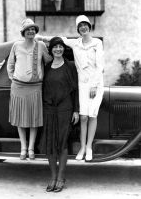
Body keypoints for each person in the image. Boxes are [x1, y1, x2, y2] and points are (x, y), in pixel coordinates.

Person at [7, 18, 52, 160]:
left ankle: (31, 148)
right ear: (23, 32)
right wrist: (15, 78)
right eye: (28, 29)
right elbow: (10, 65)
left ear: (35, 32)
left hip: (35, 87)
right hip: (18, 87)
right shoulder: (16, 45)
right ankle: (23, 148)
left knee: (34, 118)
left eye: (33, 29)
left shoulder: (41, 45)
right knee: (20, 118)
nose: (31, 31)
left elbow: (50, 62)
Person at [63, 15, 104, 161]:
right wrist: (41, 37)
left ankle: (89, 147)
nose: (83, 28)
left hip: (96, 84)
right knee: (83, 117)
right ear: (78, 29)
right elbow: (61, 40)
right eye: (80, 26)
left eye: (85, 25)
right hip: (82, 84)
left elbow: (100, 66)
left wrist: (94, 85)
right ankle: (81, 147)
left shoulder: (97, 43)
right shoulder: (76, 43)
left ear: (89, 26)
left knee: (92, 115)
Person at [40, 37, 79, 192]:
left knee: (62, 144)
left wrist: (76, 110)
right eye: (55, 47)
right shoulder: (47, 67)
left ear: (63, 49)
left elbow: (75, 90)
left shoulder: (70, 66)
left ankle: (61, 178)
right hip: (48, 109)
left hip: (65, 108)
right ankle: (53, 177)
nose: (58, 49)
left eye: (60, 46)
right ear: (51, 50)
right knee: (50, 144)